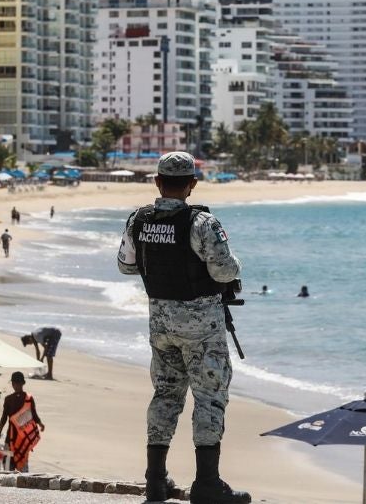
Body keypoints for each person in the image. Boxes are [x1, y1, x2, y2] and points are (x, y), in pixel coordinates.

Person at [117, 151, 249, 504]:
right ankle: (207, 483)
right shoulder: (202, 223)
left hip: (160, 325)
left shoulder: (138, 220)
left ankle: (156, 481)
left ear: (158, 182)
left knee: (165, 395)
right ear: (192, 185)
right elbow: (225, 271)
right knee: (209, 397)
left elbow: (126, 266)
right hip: (202, 328)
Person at [0, 372, 43, 472]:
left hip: (11, 437)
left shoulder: (9, 399)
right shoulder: (28, 398)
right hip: (23, 437)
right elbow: (34, 415)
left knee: (8, 464)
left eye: (15, 383)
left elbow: (4, 418)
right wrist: (40, 423)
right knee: (22, 463)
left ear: (12, 384)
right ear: (23, 383)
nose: (16, 385)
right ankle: (23, 482)